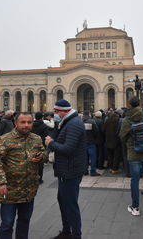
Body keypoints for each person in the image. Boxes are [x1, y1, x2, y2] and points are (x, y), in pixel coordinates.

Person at [0, 112, 46, 239]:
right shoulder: (3, 140)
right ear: (15, 123)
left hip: (29, 190)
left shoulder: (36, 138)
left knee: (24, 221)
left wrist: (42, 156)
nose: (26, 125)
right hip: (9, 190)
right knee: (7, 223)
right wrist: (0, 182)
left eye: (29, 122)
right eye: (23, 122)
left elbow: (43, 152)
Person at [45, 99, 87, 239]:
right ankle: (66, 231)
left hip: (71, 171)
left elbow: (68, 149)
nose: (55, 114)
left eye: (56, 112)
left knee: (70, 204)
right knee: (63, 200)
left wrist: (51, 143)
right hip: (66, 170)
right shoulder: (67, 122)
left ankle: (75, 235)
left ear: (64, 111)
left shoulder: (73, 124)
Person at [119, 87, 143, 216]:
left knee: (135, 180)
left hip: (134, 154)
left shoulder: (126, 120)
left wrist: (130, 144)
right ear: (139, 104)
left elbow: (122, 136)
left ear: (128, 105)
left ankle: (135, 208)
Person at [31, 112, 50, 184]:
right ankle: (39, 179)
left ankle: (32, 178)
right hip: (40, 145)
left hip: (31, 144)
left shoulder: (32, 124)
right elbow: (46, 136)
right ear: (42, 117)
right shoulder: (43, 126)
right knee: (40, 162)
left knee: (31, 160)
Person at [82, 110, 101, 176]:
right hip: (91, 142)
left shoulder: (79, 121)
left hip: (83, 142)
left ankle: (85, 171)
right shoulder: (92, 121)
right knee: (93, 157)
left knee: (85, 157)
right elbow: (96, 131)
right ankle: (93, 171)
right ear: (89, 114)